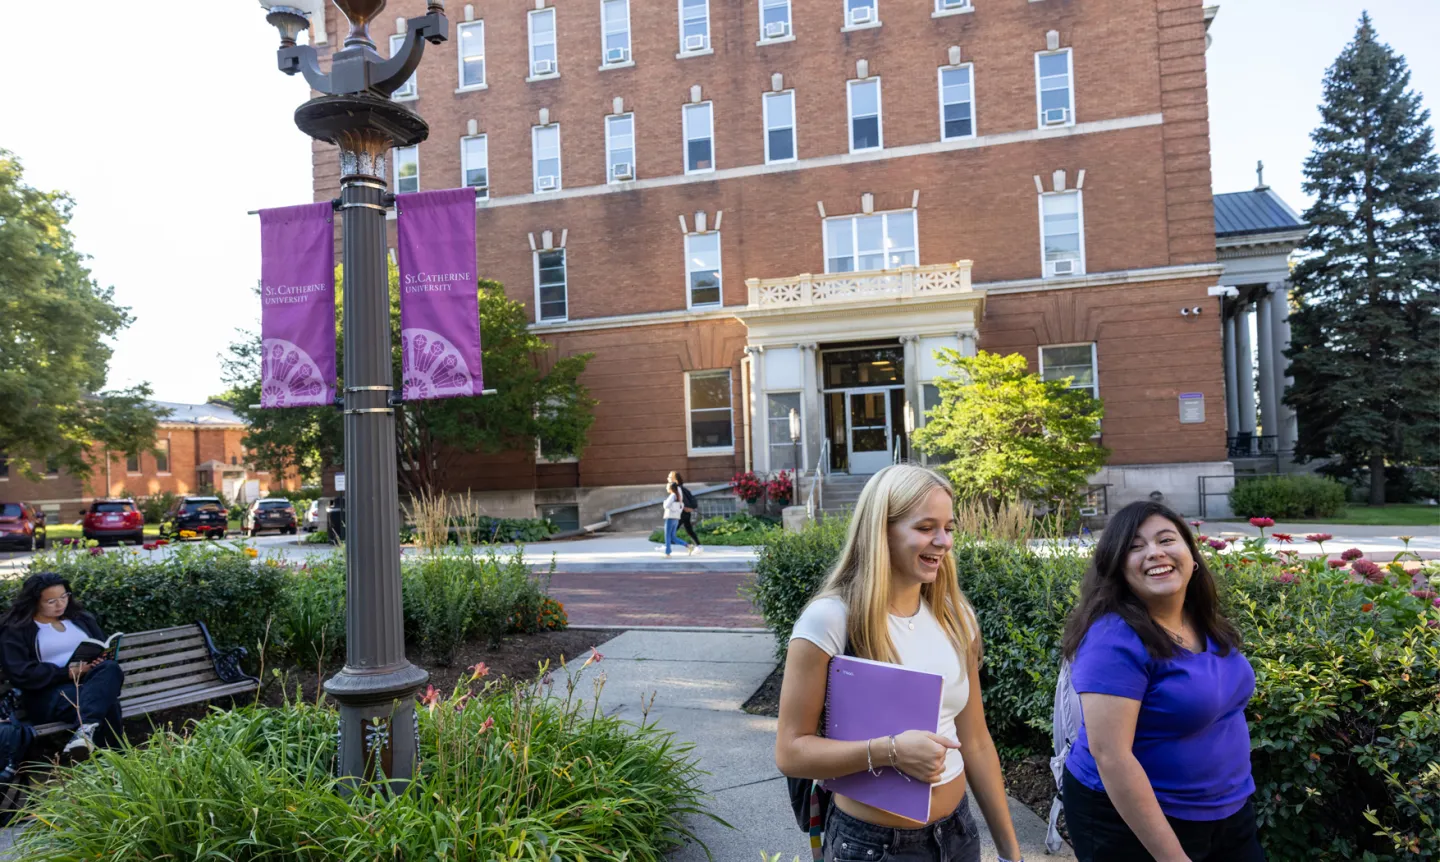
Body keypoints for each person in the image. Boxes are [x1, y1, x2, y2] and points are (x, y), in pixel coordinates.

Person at [775, 465, 1026, 862]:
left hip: (959, 835)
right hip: (873, 847)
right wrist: (889, 751)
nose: (943, 541)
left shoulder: (956, 615)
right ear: (881, 530)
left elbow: (975, 740)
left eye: (949, 527)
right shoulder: (830, 619)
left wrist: (1011, 853)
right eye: (926, 527)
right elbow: (790, 752)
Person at [1060, 500, 1262, 862]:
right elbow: (1112, 756)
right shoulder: (1113, 639)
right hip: (1132, 820)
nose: (1154, 553)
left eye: (1166, 540)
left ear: (1191, 554)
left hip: (1227, 811)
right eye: (1135, 547)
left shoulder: (1202, 620)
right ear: (1118, 569)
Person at [0, 572, 125, 758]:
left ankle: (86, 732)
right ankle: (116, 765)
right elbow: (20, 672)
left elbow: (101, 647)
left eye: (64, 597)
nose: (60, 604)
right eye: (51, 601)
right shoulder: (17, 629)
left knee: (110, 668)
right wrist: (66, 673)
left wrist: (100, 660)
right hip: (48, 694)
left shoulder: (81, 619)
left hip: (89, 684)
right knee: (107, 703)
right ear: (34, 601)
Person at [668, 470, 702, 552]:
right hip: (685, 513)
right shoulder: (683, 488)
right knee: (689, 530)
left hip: (681, 513)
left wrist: (684, 507)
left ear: (674, 479)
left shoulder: (677, 489)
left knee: (670, 532)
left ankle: (667, 548)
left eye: (669, 477)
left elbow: (681, 500)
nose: (667, 478)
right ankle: (699, 546)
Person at [661, 482, 692, 557]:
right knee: (673, 537)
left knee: (667, 536)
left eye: (667, 487)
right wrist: (675, 510)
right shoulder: (678, 496)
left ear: (671, 488)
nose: (666, 488)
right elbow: (681, 507)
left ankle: (667, 553)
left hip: (670, 518)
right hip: (676, 518)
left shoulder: (672, 496)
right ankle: (688, 546)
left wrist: (664, 502)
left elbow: (666, 506)